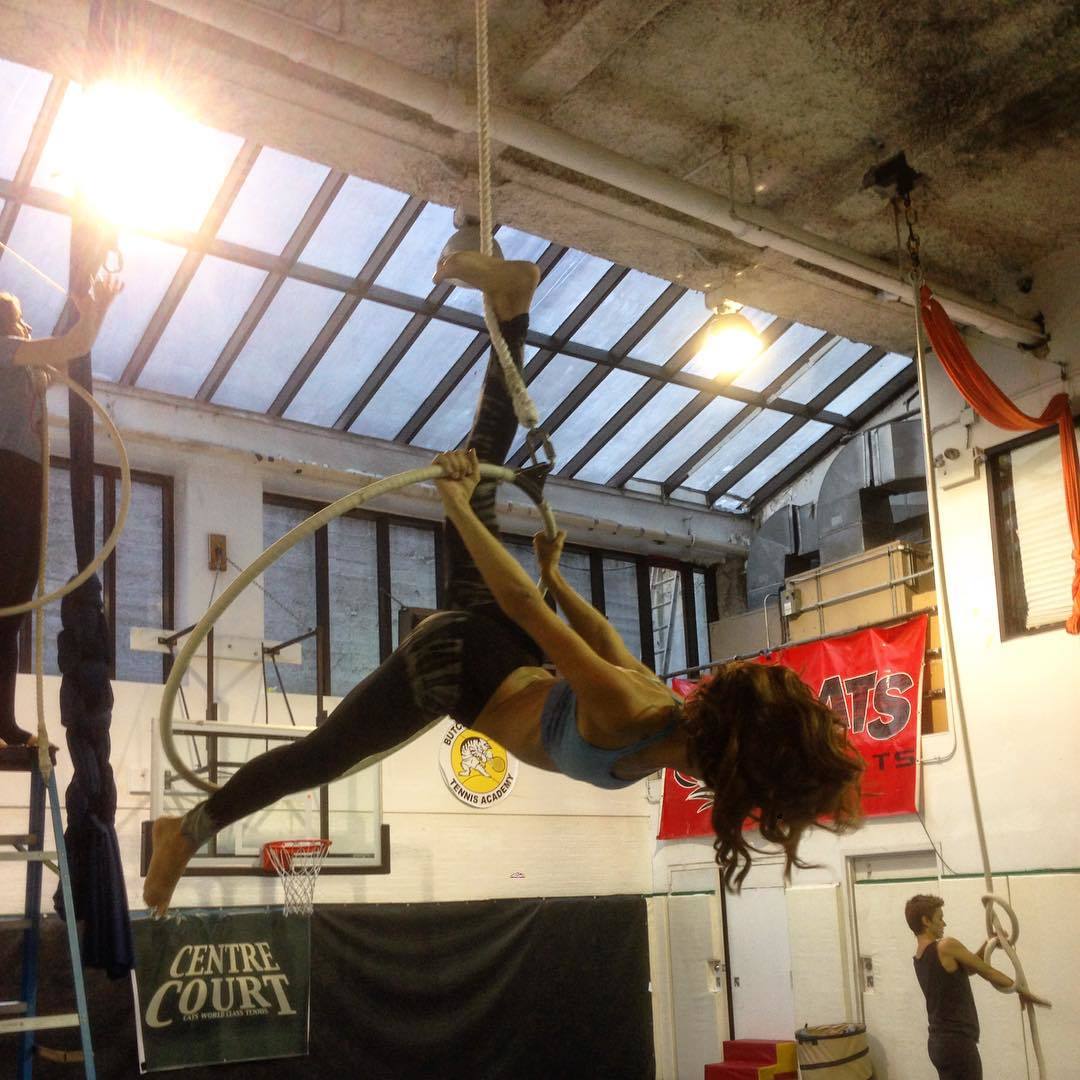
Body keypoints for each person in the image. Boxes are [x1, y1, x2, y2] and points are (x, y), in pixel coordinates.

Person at [143, 251, 863, 915]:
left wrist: (555, 575)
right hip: (459, 666)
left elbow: (602, 636)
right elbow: (525, 608)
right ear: (734, 767)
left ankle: (512, 311)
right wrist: (458, 512)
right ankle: (190, 829)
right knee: (325, 756)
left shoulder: (664, 714)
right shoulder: (631, 718)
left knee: (478, 477)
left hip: (501, 658)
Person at [0, 276, 122, 748]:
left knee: (12, 611)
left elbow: (75, 353)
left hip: (27, 479)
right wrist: (93, 311)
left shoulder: (29, 368)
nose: (28, 326)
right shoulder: (5, 350)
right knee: (3, 600)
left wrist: (97, 311)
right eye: (20, 319)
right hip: (5, 473)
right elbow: (71, 343)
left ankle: (2, 722)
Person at [906, 893, 1048, 1080]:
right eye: (940, 918)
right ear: (926, 921)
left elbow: (968, 968)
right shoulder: (945, 946)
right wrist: (1021, 990)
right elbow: (986, 971)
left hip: (939, 1043)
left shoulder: (920, 957)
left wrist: (988, 944)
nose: (944, 924)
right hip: (957, 1043)